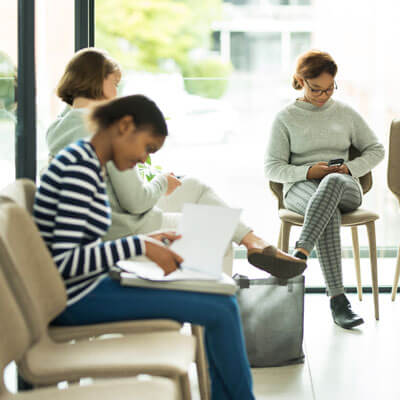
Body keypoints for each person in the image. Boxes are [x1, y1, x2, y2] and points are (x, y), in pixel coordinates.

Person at [34, 94, 255, 400]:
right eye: (147, 148)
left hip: (88, 285)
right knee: (221, 306)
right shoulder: (79, 169)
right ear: (124, 126)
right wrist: (138, 245)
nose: (145, 160)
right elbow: (65, 262)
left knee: (221, 298)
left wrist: (144, 243)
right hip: (75, 297)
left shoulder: (84, 159)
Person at [46, 47, 306, 279]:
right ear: (96, 82)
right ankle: (215, 308)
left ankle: (254, 241)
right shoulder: (104, 130)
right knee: (219, 228)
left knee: (192, 186)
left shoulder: (58, 128)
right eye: (114, 83)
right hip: (128, 228)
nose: (117, 92)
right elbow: (135, 202)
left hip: (112, 221)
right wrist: (160, 184)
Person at [264, 50, 385, 329]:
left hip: (344, 186)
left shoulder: (345, 112)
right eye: (316, 89)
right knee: (323, 207)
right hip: (300, 189)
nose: (323, 96)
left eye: (330, 88)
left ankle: (300, 253)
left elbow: (376, 149)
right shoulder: (285, 118)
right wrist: (308, 171)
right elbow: (272, 167)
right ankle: (339, 301)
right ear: (300, 81)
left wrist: (349, 169)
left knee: (329, 185)